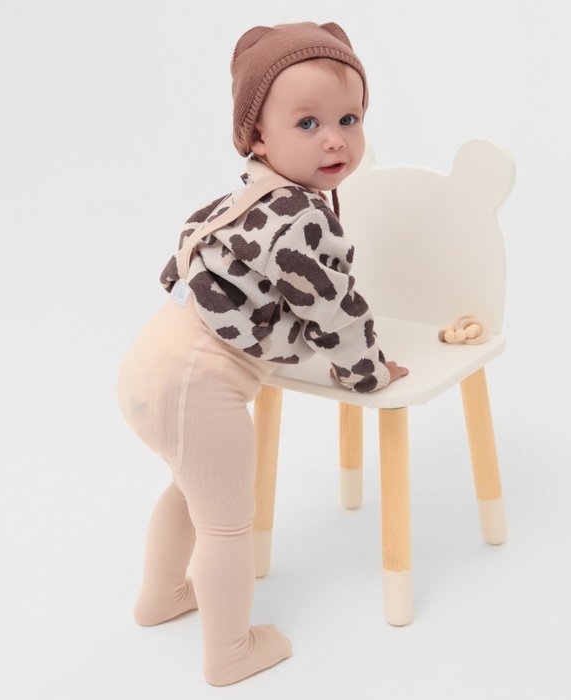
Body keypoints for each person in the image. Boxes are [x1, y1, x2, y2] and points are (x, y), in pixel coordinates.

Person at [117, 21, 408, 686]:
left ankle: (161, 596)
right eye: (308, 123)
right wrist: (366, 372)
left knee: (189, 488)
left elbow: (192, 258)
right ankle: (230, 651)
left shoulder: (246, 195)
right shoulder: (301, 217)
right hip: (198, 386)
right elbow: (334, 307)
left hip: (151, 366)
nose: (335, 138)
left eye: (349, 118)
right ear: (256, 136)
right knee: (227, 525)